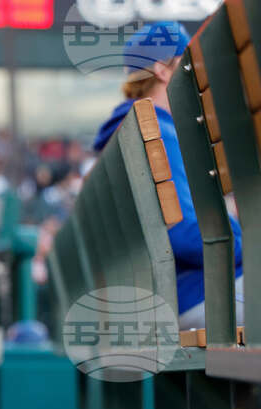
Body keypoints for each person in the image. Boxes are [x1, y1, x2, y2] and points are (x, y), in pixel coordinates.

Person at [93, 21, 244, 329]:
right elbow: (185, 236)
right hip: (192, 295)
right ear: (162, 69)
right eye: (189, 62)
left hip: (160, 295)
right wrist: (248, 240)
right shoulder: (154, 132)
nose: (198, 71)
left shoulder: (131, 129)